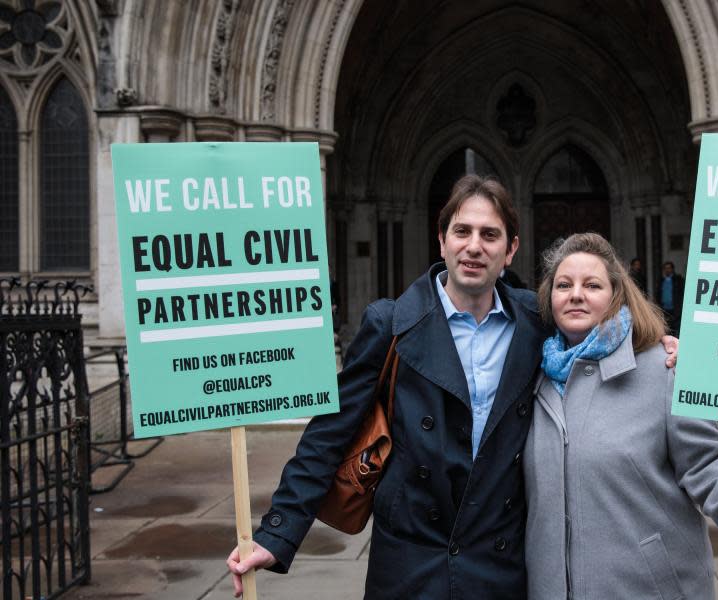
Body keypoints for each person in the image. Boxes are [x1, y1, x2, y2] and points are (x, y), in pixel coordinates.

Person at [226, 177, 679, 598]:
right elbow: (328, 435)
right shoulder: (392, 324)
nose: (474, 247)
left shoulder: (536, 322)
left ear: (511, 249)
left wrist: (655, 345)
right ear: (441, 240)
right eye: (462, 231)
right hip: (409, 564)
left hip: (497, 564)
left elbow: (599, 334)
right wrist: (277, 533)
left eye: (490, 234)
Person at [524, 233, 718, 600]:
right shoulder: (531, 378)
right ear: (549, 297)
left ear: (616, 295)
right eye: (563, 285)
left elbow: (709, 465)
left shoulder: (662, 370)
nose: (575, 295)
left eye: (592, 285)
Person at [659, 260, 684, 334]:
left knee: (675, 329)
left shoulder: (678, 280)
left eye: (669, 268)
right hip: (664, 309)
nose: (667, 270)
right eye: (665, 268)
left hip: (675, 309)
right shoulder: (661, 280)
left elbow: (682, 293)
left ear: (672, 269)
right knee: (666, 329)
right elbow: (658, 294)